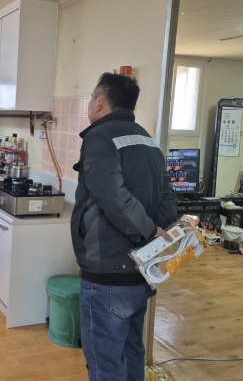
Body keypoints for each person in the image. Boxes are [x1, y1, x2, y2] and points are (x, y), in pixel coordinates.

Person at [71, 73, 177, 381]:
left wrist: (148, 231)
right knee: (131, 352)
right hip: (141, 270)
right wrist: (154, 234)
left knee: (105, 363)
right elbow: (168, 194)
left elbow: (112, 196)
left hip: (108, 272)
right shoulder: (146, 138)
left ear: (100, 102)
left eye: (92, 99)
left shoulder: (99, 137)